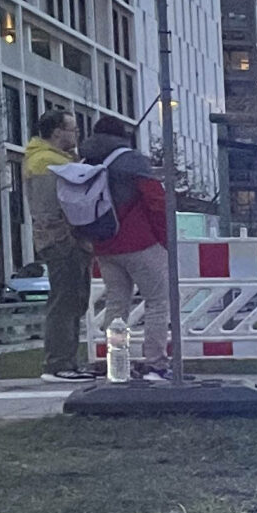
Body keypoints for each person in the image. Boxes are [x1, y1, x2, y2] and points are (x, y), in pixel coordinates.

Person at [81, 116, 172, 380]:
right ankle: (155, 363)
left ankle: (117, 362)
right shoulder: (131, 161)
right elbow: (156, 201)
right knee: (157, 301)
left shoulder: (87, 162)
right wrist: (165, 238)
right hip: (139, 242)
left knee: (116, 303)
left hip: (105, 245)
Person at [22, 108, 93, 381]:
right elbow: (47, 210)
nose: (76, 134)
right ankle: (58, 363)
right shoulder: (45, 163)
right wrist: (67, 240)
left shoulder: (57, 160)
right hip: (63, 242)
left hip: (68, 241)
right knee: (65, 301)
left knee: (73, 300)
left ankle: (67, 361)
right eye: (72, 129)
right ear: (56, 132)